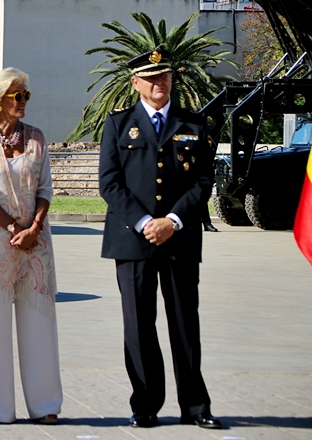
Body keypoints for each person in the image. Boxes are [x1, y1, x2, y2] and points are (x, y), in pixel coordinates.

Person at [98, 48, 222, 430]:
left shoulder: (194, 124)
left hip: (179, 238)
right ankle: (146, 405)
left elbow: (203, 182)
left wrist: (171, 220)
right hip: (132, 240)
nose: (158, 83)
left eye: (164, 76)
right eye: (150, 78)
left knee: (185, 323)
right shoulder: (119, 124)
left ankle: (196, 407)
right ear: (135, 83)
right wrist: (143, 222)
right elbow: (109, 182)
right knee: (138, 325)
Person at [0, 67, 62, 425]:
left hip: (35, 244)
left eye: (26, 95)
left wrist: (34, 227)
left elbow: (46, 189)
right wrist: (11, 227)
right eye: (16, 95)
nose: (22, 101)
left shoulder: (37, 137)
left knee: (39, 322)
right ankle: (1, 410)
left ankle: (45, 405)